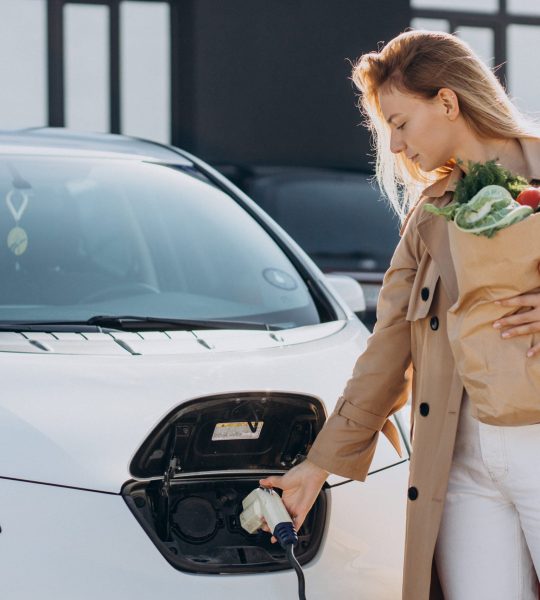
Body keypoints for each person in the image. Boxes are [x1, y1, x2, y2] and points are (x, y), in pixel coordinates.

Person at [260, 29, 540, 599]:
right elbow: (390, 345)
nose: (393, 145)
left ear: (447, 101)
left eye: (400, 122)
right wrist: (319, 464)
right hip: (459, 464)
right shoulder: (429, 215)